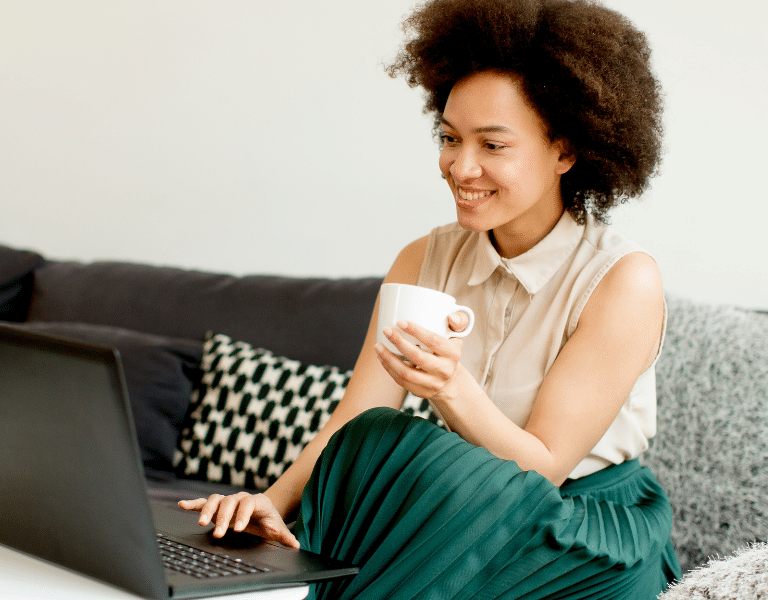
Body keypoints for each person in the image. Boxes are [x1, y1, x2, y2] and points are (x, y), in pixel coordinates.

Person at [180, 0, 680, 597]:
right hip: (469, 507)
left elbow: (543, 467)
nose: (460, 166)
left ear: (566, 151)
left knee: (404, 450)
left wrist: (449, 387)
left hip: (581, 529)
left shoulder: (623, 280)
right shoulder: (425, 258)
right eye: (449, 138)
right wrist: (271, 503)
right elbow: (354, 420)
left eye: (493, 146)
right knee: (373, 439)